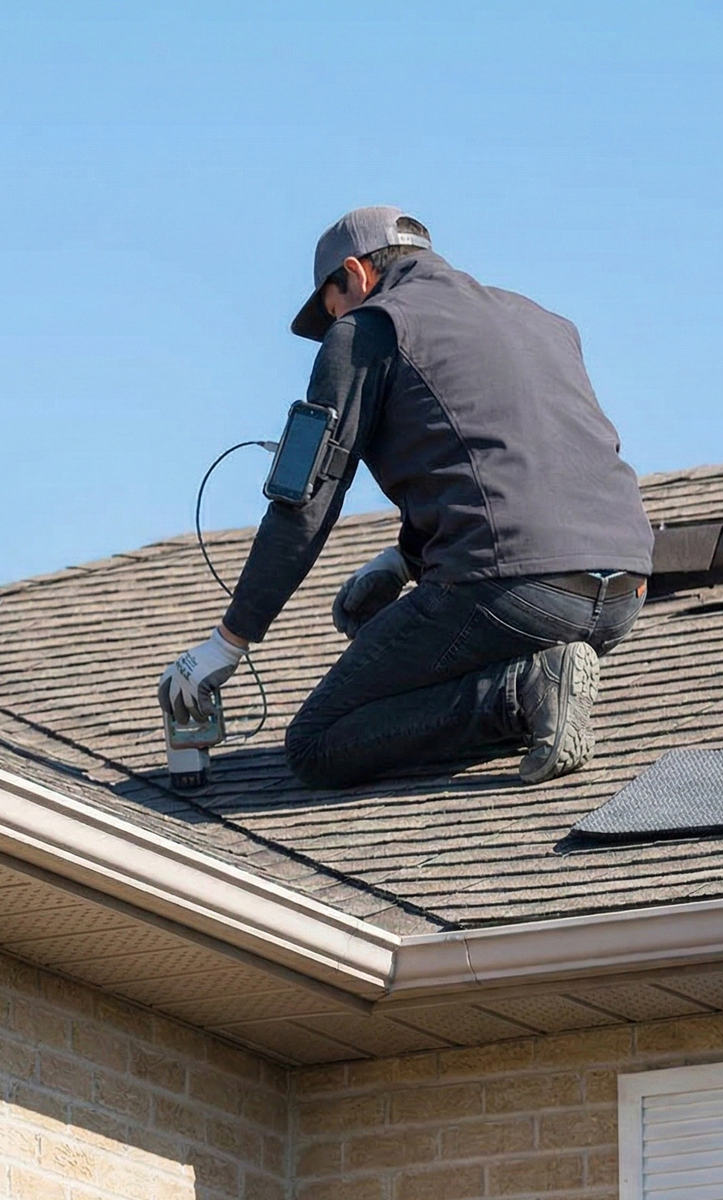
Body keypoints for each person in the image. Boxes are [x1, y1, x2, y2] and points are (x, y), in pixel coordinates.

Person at [161, 207, 655, 789]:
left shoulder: (368, 330)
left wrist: (228, 643)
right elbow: (509, 463)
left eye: (331, 308)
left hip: (514, 591)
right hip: (625, 592)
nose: (335, 326)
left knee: (318, 743)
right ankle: (537, 681)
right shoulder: (540, 320)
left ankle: (523, 689)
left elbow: (306, 501)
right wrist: (403, 561)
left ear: (355, 273)